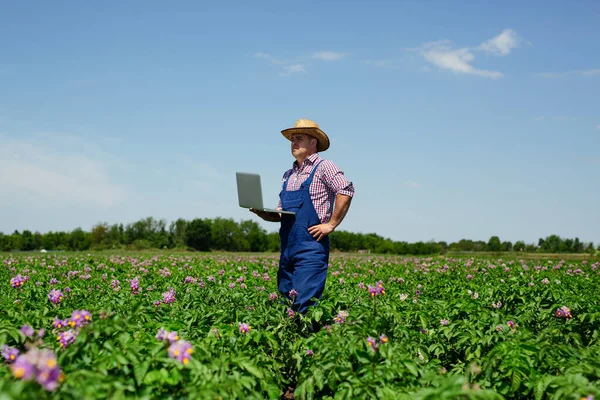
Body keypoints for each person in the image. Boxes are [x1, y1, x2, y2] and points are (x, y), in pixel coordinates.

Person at [250, 118, 354, 314]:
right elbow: (282, 215)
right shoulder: (288, 174)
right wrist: (264, 214)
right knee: (285, 302)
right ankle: (289, 341)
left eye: (299, 138)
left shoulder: (325, 166)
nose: (294, 143)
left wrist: (331, 224)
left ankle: (308, 343)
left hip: (311, 247)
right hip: (288, 247)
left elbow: (345, 191)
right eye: (292, 140)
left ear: (313, 142)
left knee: (304, 303)